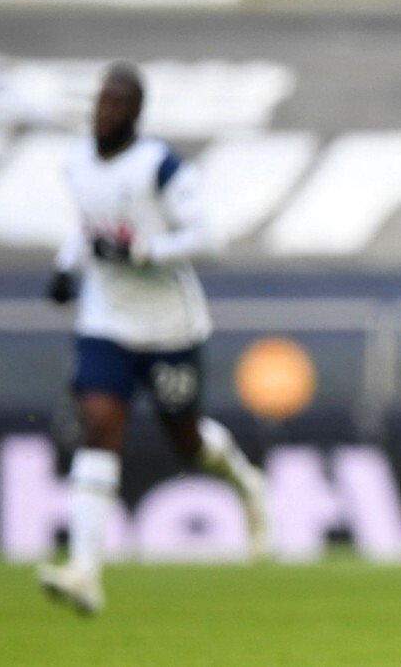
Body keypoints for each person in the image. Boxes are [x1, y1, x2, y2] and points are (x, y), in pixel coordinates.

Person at [37, 61, 269, 616]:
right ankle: (85, 572)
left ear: (136, 114)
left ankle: (244, 480)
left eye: (117, 106)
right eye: (101, 103)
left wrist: (145, 253)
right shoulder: (75, 163)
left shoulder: (159, 167)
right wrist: (66, 267)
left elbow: (211, 239)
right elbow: (86, 225)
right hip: (106, 322)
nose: (105, 113)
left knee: (184, 440)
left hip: (169, 325)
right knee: (99, 426)